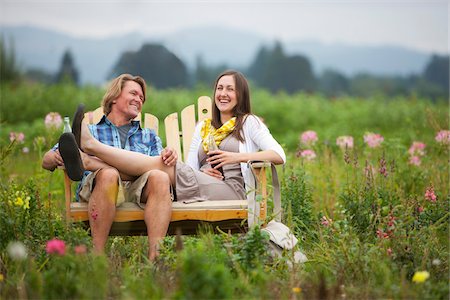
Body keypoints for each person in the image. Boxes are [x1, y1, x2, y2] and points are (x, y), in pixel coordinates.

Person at [65, 70, 286, 215]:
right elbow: (189, 167)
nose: (223, 93)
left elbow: (278, 154)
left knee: (165, 166)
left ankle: (91, 150)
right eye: (220, 88)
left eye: (230, 89)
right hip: (200, 185)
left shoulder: (249, 123)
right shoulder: (204, 126)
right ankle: (89, 157)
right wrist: (202, 173)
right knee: (160, 170)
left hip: (235, 191)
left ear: (241, 94)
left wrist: (237, 157)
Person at [42, 74, 177, 260]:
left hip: (138, 190)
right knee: (109, 174)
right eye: (134, 93)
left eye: (142, 98)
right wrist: (57, 157)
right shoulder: (90, 131)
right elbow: (46, 160)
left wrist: (169, 155)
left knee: (160, 177)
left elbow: (159, 168)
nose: (139, 99)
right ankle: (97, 259)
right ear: (114, 96)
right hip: (101, 187)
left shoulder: (149, 136)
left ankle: (155, 259)